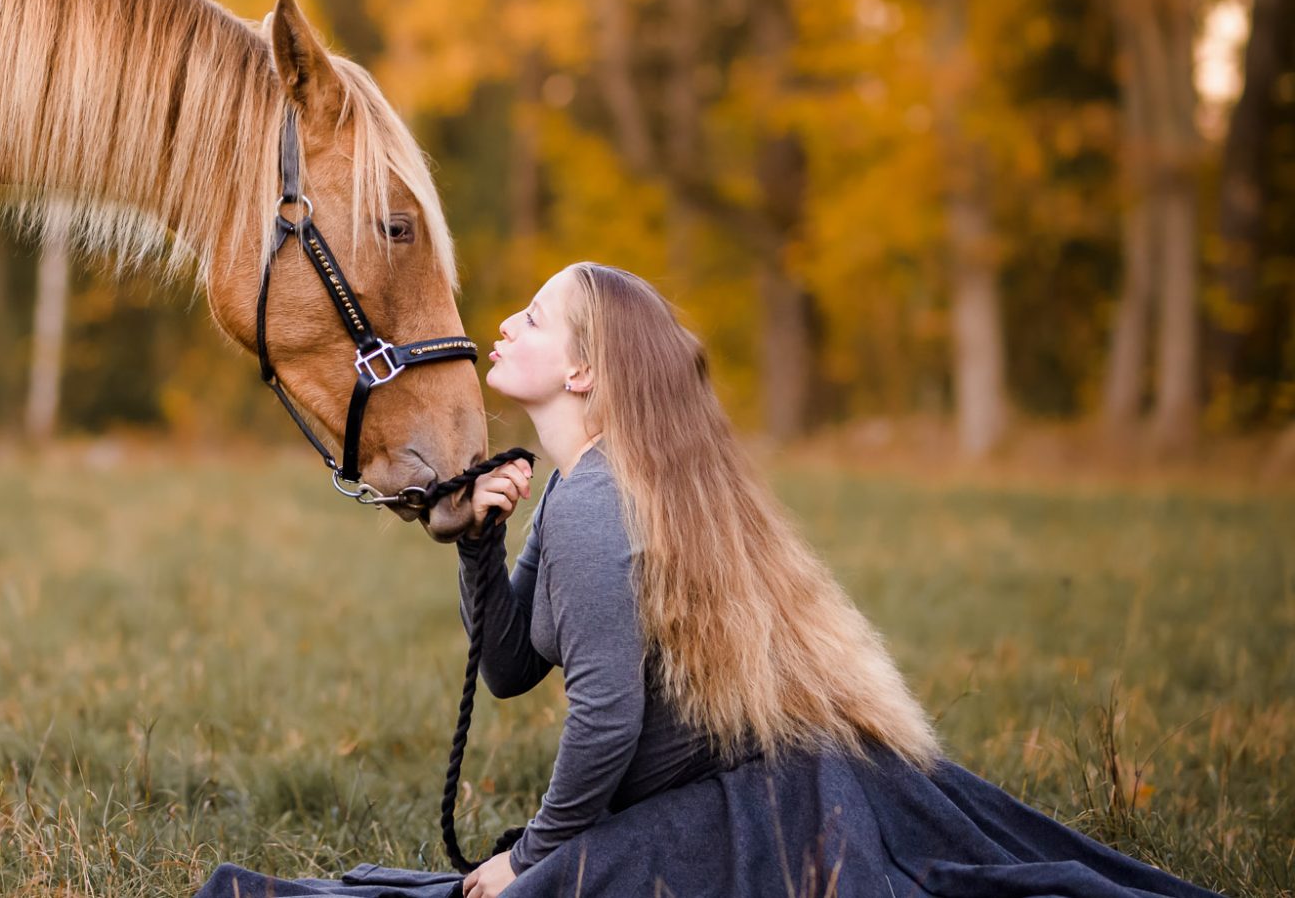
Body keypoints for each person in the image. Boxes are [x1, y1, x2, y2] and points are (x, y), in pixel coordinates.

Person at [193, 262, 1222, 898]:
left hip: (759, 808)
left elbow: (601, 722)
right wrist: (472, 544)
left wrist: (533, 859)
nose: (501, 324)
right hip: (775, 790)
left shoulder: (597, 504)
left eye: (536, 318)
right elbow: (509, 671)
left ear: (583, 374)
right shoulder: (577, 491)